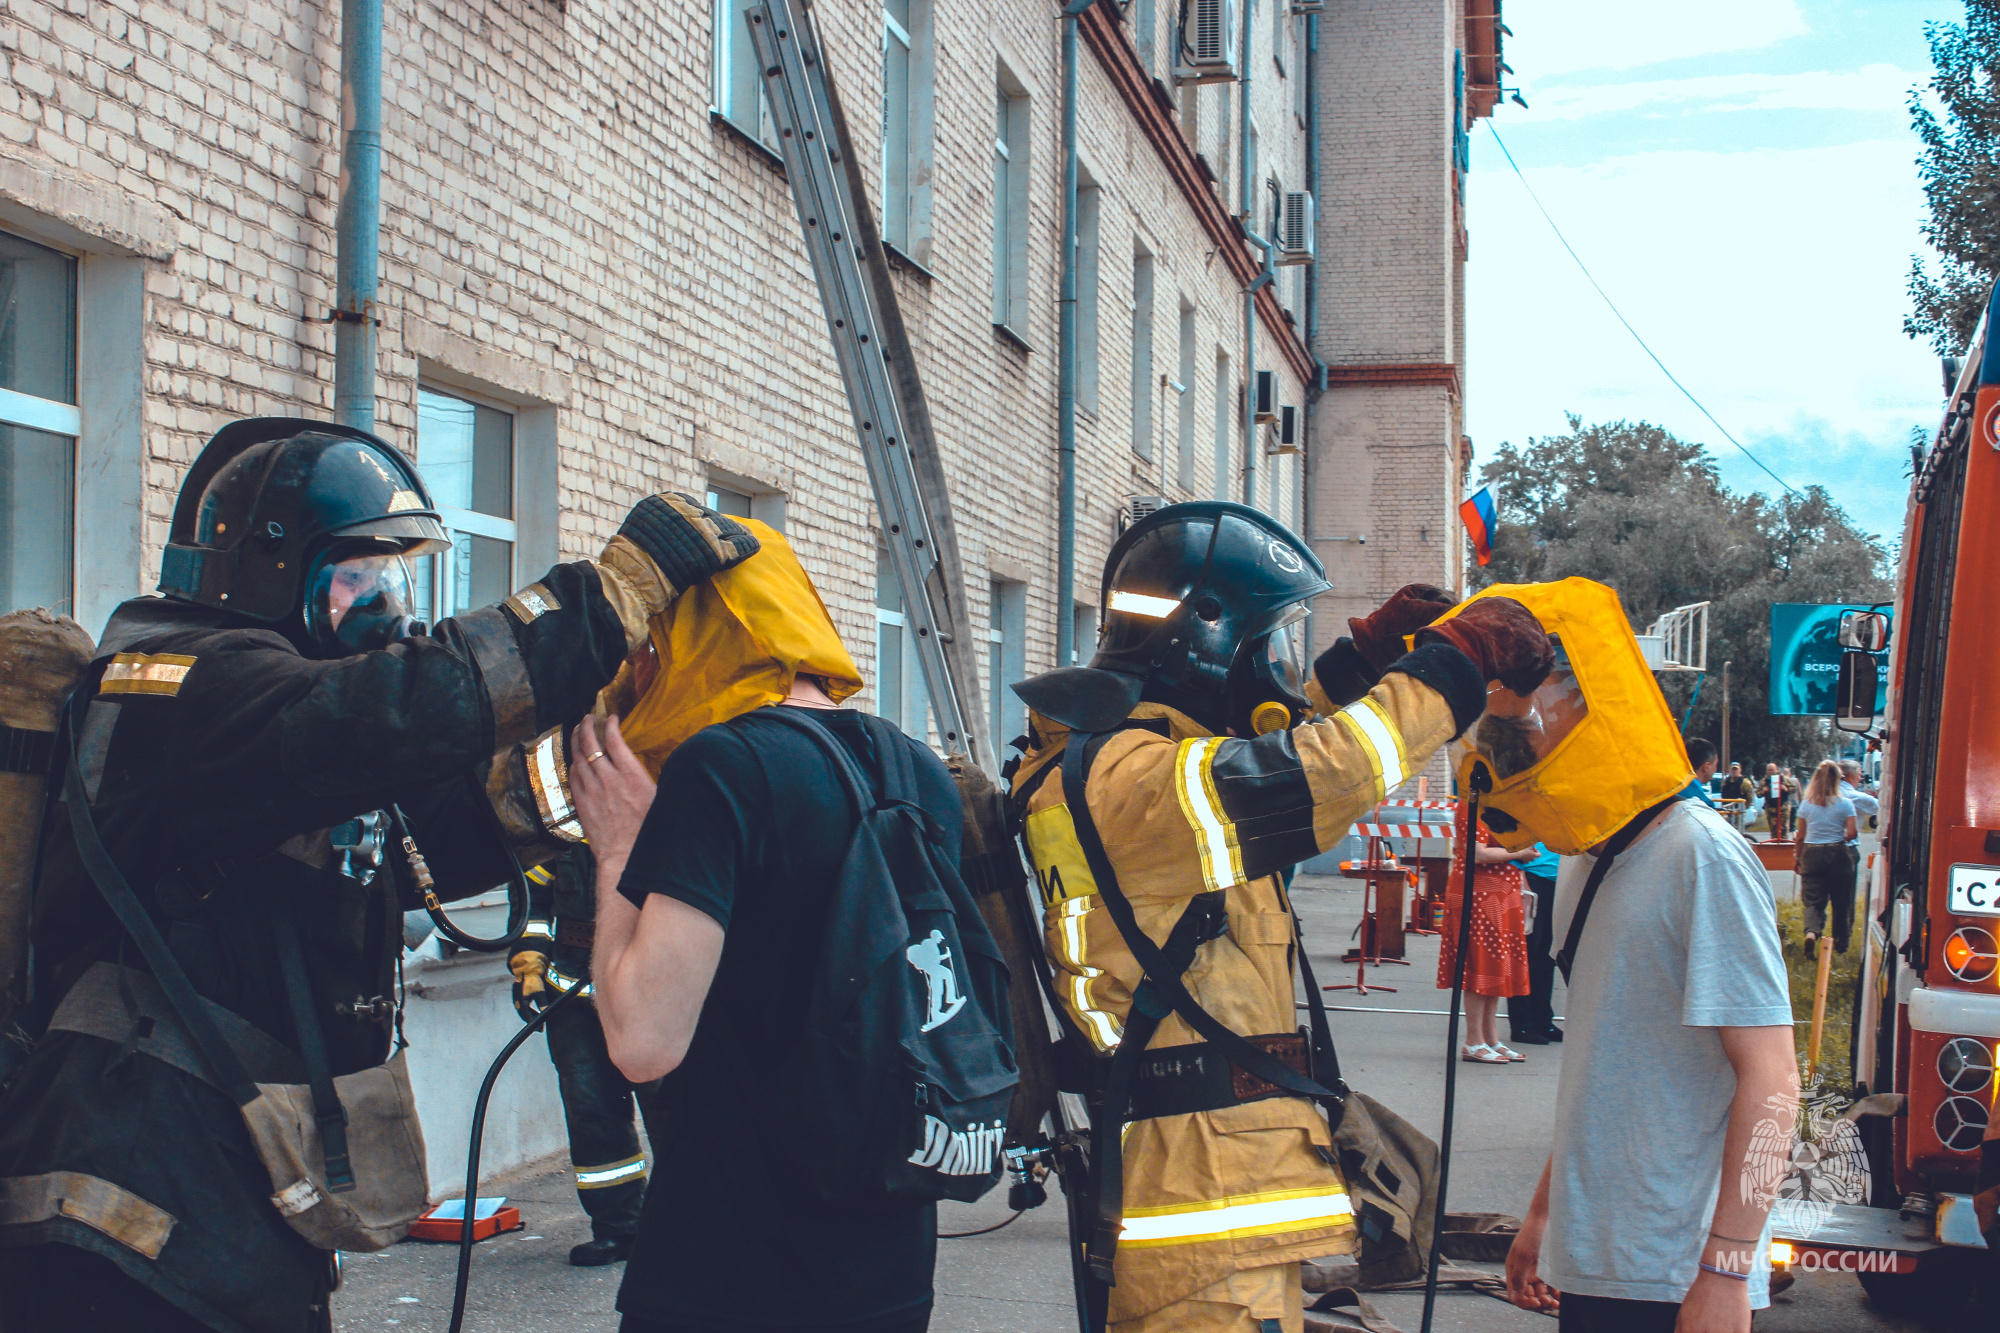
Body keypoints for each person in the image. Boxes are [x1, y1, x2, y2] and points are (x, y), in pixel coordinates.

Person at [0, 417, 759, 1332]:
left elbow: (437, 832)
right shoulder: (186, 681)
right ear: (269, 571)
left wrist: (619, 757)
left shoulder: (282, 731)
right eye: (356, 575)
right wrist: (604, 603)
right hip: (123, 1205)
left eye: (393, 576)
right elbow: (395, 710)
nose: (387, 606)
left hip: (226, 1188)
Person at [1006, 502, 1554, 1333]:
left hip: (1213, 1189)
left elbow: (1265, 739)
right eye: (1273, 643)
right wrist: (1457, 661)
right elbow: (1320, 771)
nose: (1281, 668)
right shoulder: (1138, 781)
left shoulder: (1126, 756)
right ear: (1212, 642)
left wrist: (1357, 661)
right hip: (1203, 1211)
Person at [563, 526, 958, 1333]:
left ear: (692, 634)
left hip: (733, 1264)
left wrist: (618, 852)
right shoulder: (913, 764)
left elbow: (644, 1040)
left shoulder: (724, 767)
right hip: (888, 1256)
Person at [1505, 798, 1799, 1333]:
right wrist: (1544, 1214)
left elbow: (1773, 1077)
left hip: (1677, 1270)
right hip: (1595, 1257)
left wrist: (1726, 1274)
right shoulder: (1582, 859)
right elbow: (1607, 1067)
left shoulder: (1706, 859)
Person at [510, 844, 663, 1266]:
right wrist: (530, 965)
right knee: (591, 1112)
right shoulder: (556, 826)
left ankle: (691, 1227)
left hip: (652, 991)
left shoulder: (666, 803)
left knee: (676, 1114)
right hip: (573, 996)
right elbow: (532, 899)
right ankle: (620, 1229)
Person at [1440, 806, 1537, 1063]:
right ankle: (1474, 1040)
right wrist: (1521, 852)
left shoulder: (1495, 804)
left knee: (1495, 966)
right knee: (1480, 965)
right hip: (1479, 893)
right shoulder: (1472, 806)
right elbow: (1477, 853)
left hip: (1501, 892)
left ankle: (1490, 1038)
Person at [1795, 760, 1859, 955]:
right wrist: (1844, 835)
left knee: (1813, 899)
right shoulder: (1846, 804)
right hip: (1837, 853)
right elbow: (1852, 833)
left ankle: (1812, 932)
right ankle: (1840, 944)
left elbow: (1800, 836)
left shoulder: (1806, 805)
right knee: (1841, 901)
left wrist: (1797, 859)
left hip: (1812, 854)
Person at [1509, 841, 1563, 1046]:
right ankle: (1522, 1023)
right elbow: (1513, 842)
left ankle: (1543, 1020)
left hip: (1556, 882)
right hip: (1533, 879)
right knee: (1526, 955)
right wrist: (1521, 879)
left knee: (1547, 956)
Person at [1717, 763, 1755, 832]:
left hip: (1739, 810)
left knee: (1738, 831)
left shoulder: (1745, 782)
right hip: (1727, 810)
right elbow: (1723, 795)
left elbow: (1750, 797)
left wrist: (1744, 807)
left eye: (1736, 769)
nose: (1734, 771)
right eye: (1733, 769)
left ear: (1740, 770)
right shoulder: (1726, 781)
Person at [1684, 737, 1719, 808]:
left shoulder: (1666, 791)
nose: (1715, 769)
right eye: (1715, 765)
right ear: (1707, 766)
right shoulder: (1704, 805)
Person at [1763, 762, 1794, 839]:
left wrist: (1786, 789)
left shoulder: (1784, 779)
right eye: (1769, 770)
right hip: (1770, 809)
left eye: (1773, 770)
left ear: (1777, 770)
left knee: (1783, 829)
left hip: (1783, 808)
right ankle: (1774, 847)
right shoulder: (1764, 781)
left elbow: (1793, 789)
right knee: (1773, 830)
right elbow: (1758, 793)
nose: (1771, 772)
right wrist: (1763, 791)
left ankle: (1784, 847)